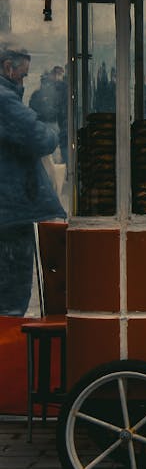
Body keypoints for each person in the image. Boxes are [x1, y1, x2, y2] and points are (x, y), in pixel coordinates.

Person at [0, 41, 66, 316]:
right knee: (12, 297)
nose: (24, 80)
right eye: (22, 74)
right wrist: (51, 133)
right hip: (11, 212)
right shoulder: (4, 99)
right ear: (7, 67)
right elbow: (40, 137)